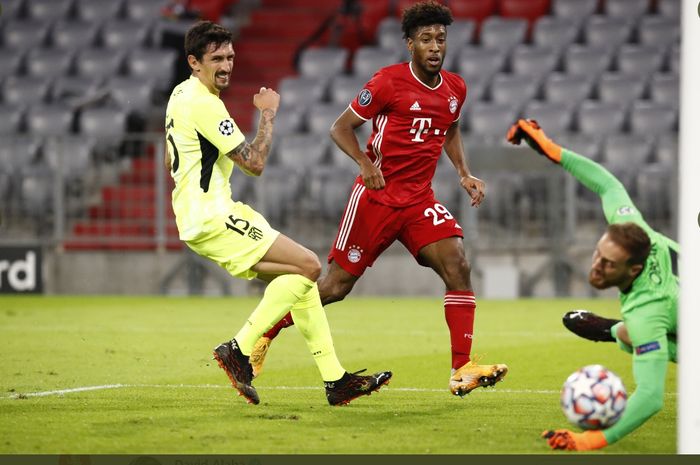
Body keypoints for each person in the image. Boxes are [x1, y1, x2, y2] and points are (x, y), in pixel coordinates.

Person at [251, 1, 508, 397]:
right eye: (426, 39)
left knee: (458, 264)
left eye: (440, 38)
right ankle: (262, 334)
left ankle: (462, 368)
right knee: (335, 287)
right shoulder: (387, 83)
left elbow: (450, 129)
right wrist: (364, 162)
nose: (435, 46)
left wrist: (463, 173)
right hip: (376, 198)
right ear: (410, 44)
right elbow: (340, 128)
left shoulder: (456, 88)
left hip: (419, 200)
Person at [164, 20, 391, 406]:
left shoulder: (181, 93)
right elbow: (254, 163)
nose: (226, 65)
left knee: (300, 277)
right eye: (216, 58)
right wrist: (268, 113)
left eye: (230, 57)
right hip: (212, 214)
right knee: (309, 265)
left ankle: (336, 380)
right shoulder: (203, 103)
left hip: (200, 214)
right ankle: (238, 349)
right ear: (194, 61)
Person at [506, 119, 678, 451]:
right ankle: (616, 331)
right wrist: (551, 148)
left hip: (669, 312)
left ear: (635, 269)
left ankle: (615, 331)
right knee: (641, 335)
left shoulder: (647, 310)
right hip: (681, 303)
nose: (595, 268)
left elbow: (651, 397)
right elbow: (607, 183)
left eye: (608, 264)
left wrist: (590, 440)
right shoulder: (631, 227)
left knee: (643, 336)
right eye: (598, 254)